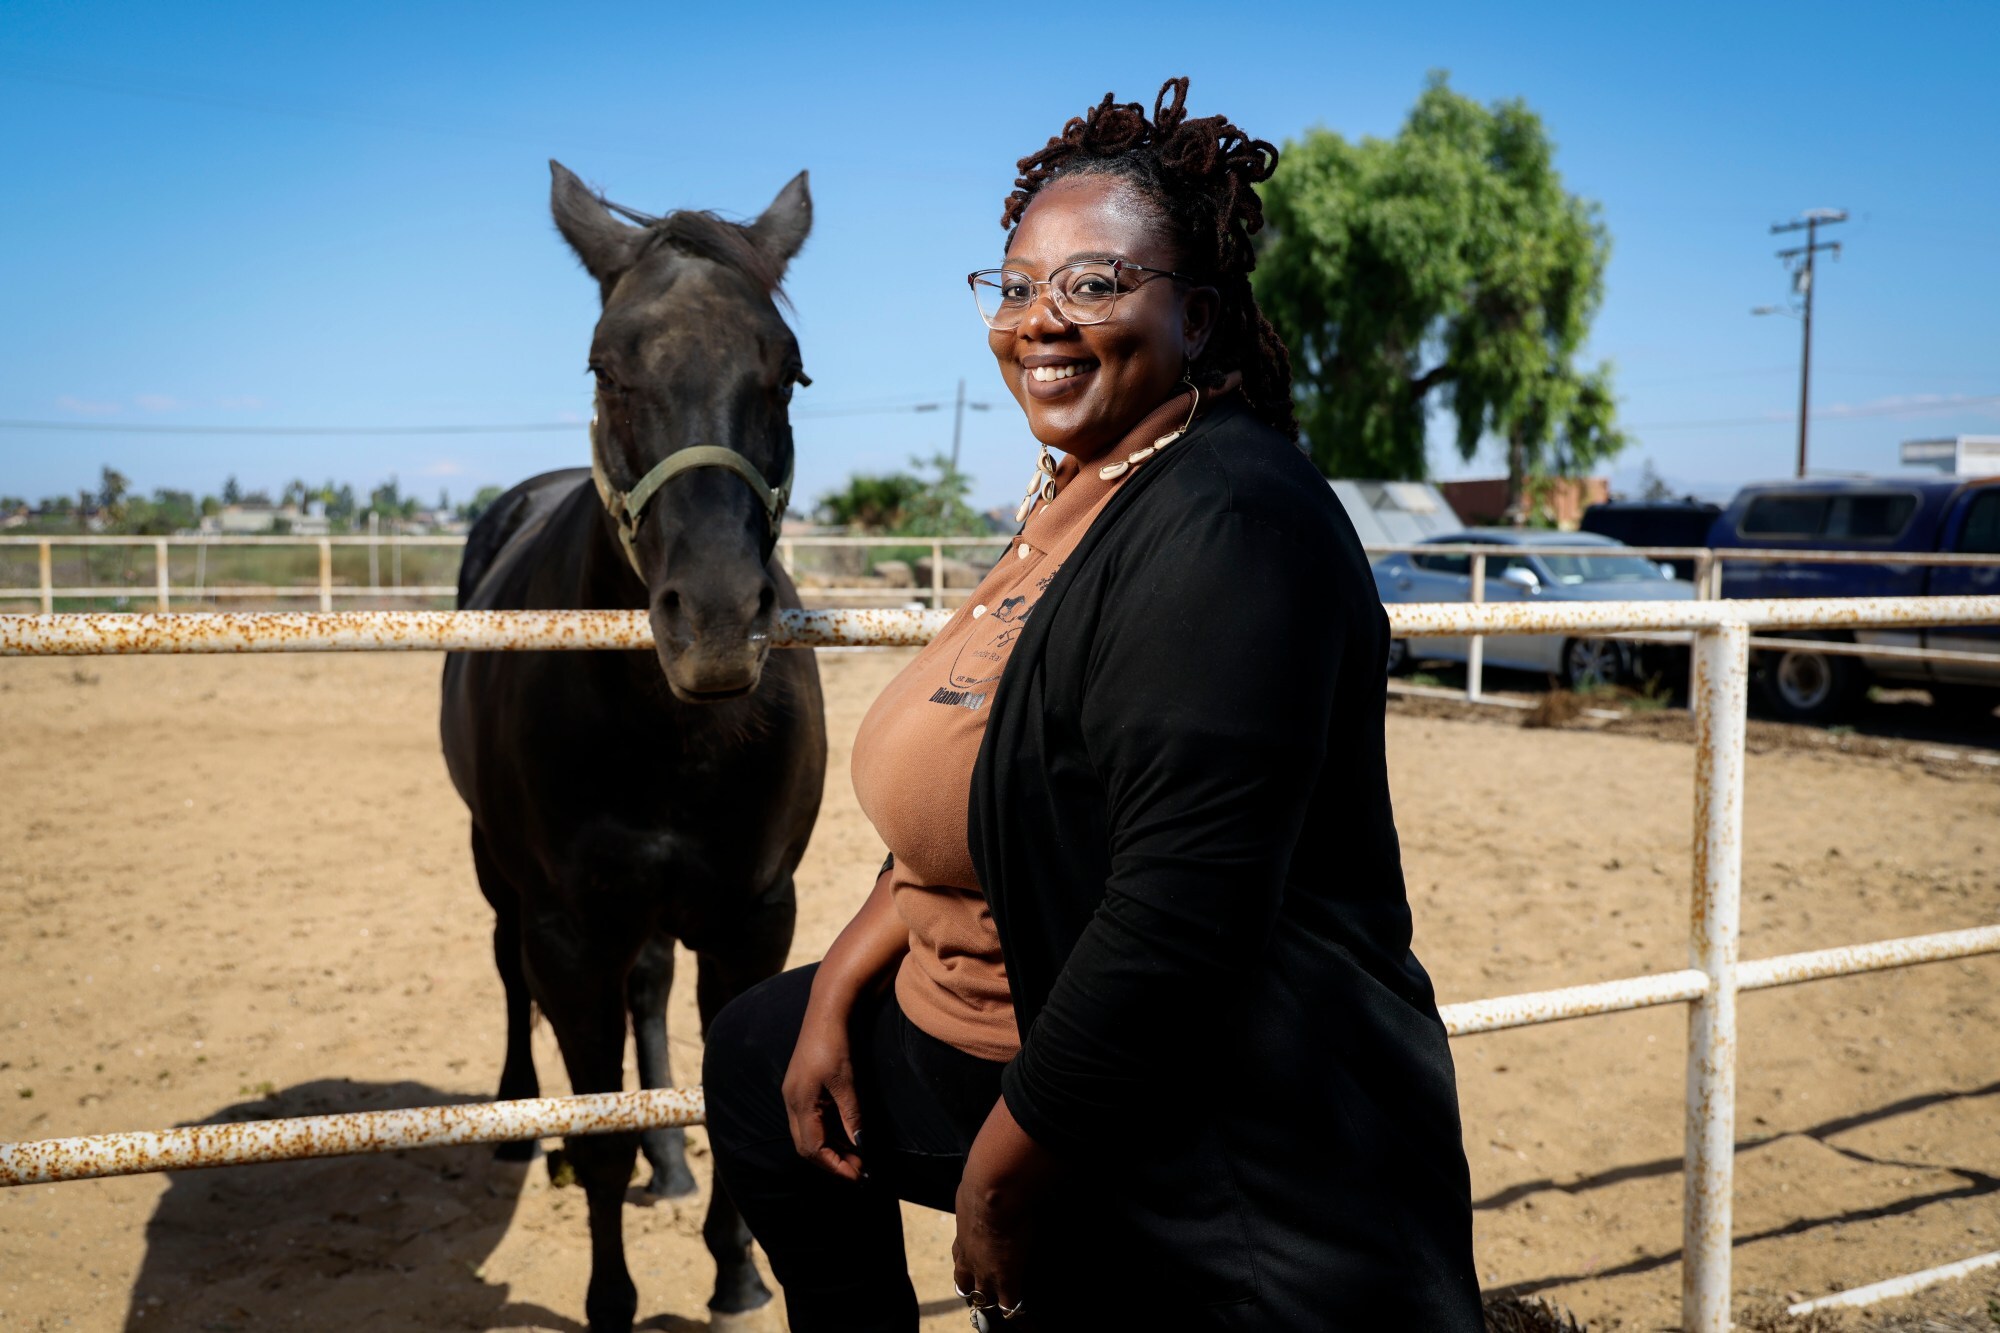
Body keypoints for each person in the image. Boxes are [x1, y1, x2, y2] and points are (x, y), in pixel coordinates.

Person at [704, 78, 1482, 1331]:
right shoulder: (1076, 495)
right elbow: (972, 784)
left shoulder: (1229, 525)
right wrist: (839, 990)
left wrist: (1007, 1178)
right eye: (1014, 286)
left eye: (1096, 284)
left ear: (1199, 316)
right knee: (757, 1053)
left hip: (1200, 1126)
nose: (1038, 320)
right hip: (1008, 1028)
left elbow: (1180, 917)